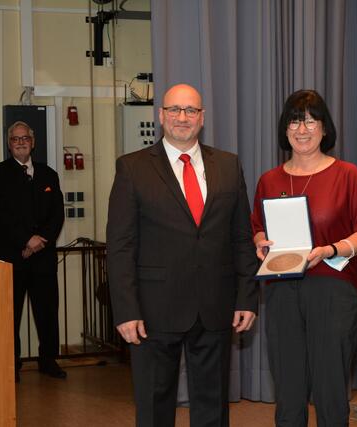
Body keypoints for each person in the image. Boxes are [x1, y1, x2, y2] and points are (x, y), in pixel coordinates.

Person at [107, 83, 259, 427]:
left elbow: (241, 239)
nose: (182, 117)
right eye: (174, 109)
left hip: (215, 307)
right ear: (160, 115)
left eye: (190, 110)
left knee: (212, 405)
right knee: (154, 405)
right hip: (152, 310)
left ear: (202, 118)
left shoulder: (228, 166)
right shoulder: (132, 168)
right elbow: (120, 246)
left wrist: (247, 298)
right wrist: (126, 310)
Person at [251, 89, 357, 426]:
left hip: (332, 290)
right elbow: (257, 230)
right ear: (284, 128)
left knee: (330, 389)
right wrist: (260, 241)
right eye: (294, 120)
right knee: (288, 391)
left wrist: (330, 250)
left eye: (310, 120)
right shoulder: (269, 180)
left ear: (324, 128)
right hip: (280, 292)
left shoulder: (347, 175)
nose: (302, 129)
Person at [0, 121, 66, 382]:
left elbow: (57, 214)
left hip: (43, 258)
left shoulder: (49, 174)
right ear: (9, 144)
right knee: (10, 314)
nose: (20, 142)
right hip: (13, 257)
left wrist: (40, 239)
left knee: (47, 311)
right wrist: (26, 240)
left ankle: (48, 360)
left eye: (25, 138)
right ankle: (11, 364)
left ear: (33, 142)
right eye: (15, 139)